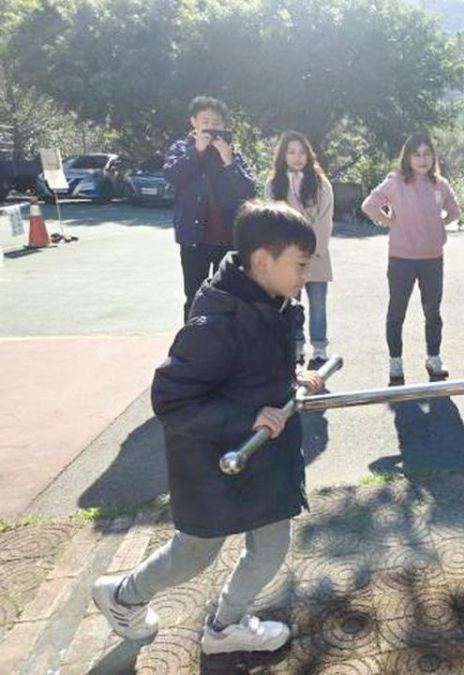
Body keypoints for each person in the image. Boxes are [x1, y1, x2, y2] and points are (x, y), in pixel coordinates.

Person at [92, 201, 324, 654]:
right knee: (194, 553)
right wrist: (246, 417)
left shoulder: (272, 301)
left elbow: (255, 368)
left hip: (261, 457)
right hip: (213, 461)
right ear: (263, 261)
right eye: (300, 264)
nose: (305, 275)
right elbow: (172, 398)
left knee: (272, 545)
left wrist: (290, 377)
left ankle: (224, 627)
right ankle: (122, 595)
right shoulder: (216, 320)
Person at [361, 132, 461, 386]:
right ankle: (396, 360)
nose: (422, 159)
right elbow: (369, 205)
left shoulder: (440, 184)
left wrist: (439, 224)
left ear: (433, 157)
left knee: (433, 310)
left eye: (427, 154)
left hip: (432, 259)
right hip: (401, 259)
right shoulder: (395, 181)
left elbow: (454, 210)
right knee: (397, 311)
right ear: (407, 157)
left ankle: (434, 357)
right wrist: (389, 221)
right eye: (416, 154)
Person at [164, 95, 256, 322]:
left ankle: (224, 345)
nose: (211, 126)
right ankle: (192, 347)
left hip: (227, 238)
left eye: (216, 122)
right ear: (193, 122)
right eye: (205, 121)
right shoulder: (181, 148)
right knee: (194, 294)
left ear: (223, 126)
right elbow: (173, 175)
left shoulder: (231, 152)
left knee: (227, 295)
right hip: (194, 237)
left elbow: (249, 190)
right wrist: (196, 151)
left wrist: (229, 161)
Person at [265, 131, 335, 368]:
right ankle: (294, 344)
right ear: (283, 155)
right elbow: (271, 220)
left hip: (316, 255)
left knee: (318, 304)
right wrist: (286, 251)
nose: (297, 157)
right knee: (289, 302)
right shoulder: (274, 184)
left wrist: (311, 246)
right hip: (286, 256)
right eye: (291, 152)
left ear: (309, 154)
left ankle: (319, 346)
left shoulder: (320, 183)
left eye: (301, 152)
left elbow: (325, 219)